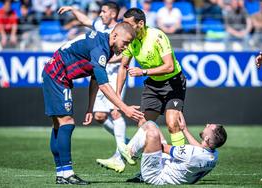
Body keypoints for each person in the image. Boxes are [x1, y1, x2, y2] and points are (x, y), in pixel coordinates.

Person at [42, 22, 144, 185]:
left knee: (58, 125)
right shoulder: (101, 49)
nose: (126, 48)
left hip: (54, 73)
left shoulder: (105, 44)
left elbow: (95, 77)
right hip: (57, 75)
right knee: (66, 123)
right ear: (115, 35)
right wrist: (124, 108)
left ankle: (62, 173)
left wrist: (90, 107)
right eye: (125, 43)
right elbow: (104, 84)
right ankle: (67, 174)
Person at [58, 1, 129, 173]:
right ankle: (126, 143)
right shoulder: (99, 26)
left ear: (113, 14)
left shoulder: (123, 33)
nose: (100, 14)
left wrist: (101, 60)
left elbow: (125, 56)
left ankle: (121, 153)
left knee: (115, 111)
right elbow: (85, 21)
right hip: (99, 75)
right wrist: (74, 9)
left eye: (103, 11)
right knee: (98, 116)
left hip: (111, 75)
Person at [117, 8, 187, 147]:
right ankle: (159, 161)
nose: (125, 28)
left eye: (129, 24)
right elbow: (122, 66)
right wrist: (117, 96)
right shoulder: (131, 40)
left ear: (140, 23)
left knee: (172, 123)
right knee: (144, 125)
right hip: (153, 84)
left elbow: (169, 67)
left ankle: (180, 161)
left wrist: (143, 72)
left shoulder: (157, 36)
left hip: (173, 82)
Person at [118, 112, 227, 185]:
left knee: (151, 133)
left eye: (209, 127)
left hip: (155, 176)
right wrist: (184, 129)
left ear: (207, 138)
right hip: (168, 170)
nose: (207, 124)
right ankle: (130, 150)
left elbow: (162, 147)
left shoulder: (191, 152)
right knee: (151, 124)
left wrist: (143, 141)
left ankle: (129, 153)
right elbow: (200, 149)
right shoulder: (213, 154)